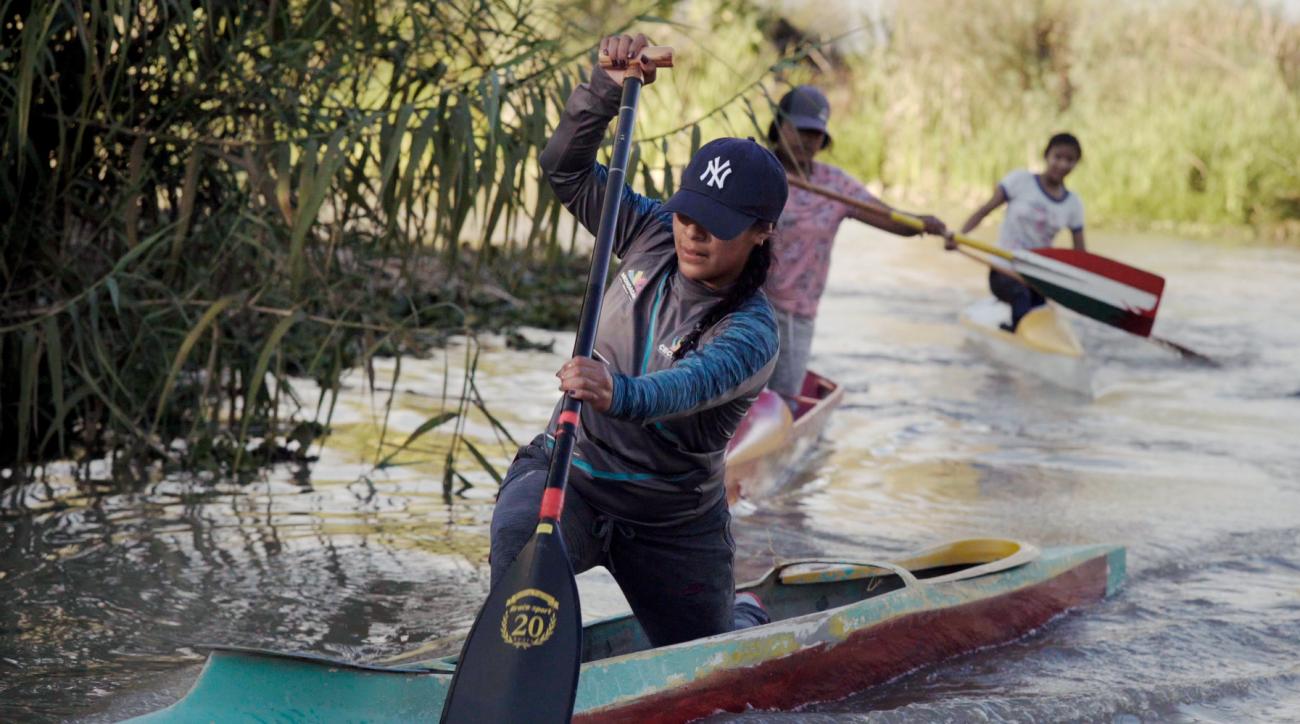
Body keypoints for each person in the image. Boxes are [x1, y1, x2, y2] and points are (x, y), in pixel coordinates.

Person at [489, 33, 783, 647]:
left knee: (705, 655)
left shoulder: (753, 331)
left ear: (760, 232)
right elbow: (563, 169)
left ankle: (747, 613)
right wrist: (605, 87)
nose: (693, 236)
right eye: (687, 215)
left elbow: (688, 385)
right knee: (517, 557)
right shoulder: (648, 229)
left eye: (717, 228)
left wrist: (615, 390)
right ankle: (519, 652)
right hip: (570, 476)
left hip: (672, 523)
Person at [764, 85, 949, 401]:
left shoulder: (834, 183)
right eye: (799, 130)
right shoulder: (760, 169)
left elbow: (887, 216)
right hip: (750, 302)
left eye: (815, 133)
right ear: (779, 127)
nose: (807, 140)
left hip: (798, 313)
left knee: (783, 400)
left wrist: (919, 223)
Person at [951, 132, 1087, 331]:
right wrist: (958, 237)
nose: (1062, 165)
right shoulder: (1020, 181)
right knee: (1021, 296)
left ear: (1076, 164)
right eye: (1058, 157)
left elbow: (1080, 255)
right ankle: (1013, 334)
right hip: (1004, 269)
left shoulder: (1073, 204)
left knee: (1038, 307)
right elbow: (984, 211)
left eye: (1070, 160)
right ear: (1047, 155)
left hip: (1038, 277)